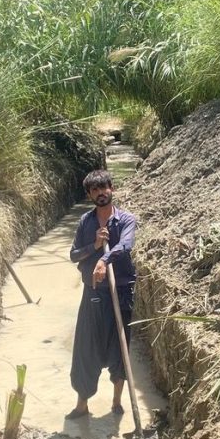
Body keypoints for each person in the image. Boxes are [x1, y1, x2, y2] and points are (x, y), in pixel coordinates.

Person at [66, 169, 138, 419]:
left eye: (104, 188)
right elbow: (74, 255)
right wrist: (95, 246)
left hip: (121, 291)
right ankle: (82, 405)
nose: (100, 193)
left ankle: (117, 402)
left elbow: (125, 245)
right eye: (95, 190)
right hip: (94, 293)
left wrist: (104, 259)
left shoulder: (126, 220)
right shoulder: (86, 222)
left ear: (112, 189)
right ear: (89, 195)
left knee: (120, 347)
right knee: (86, 348)